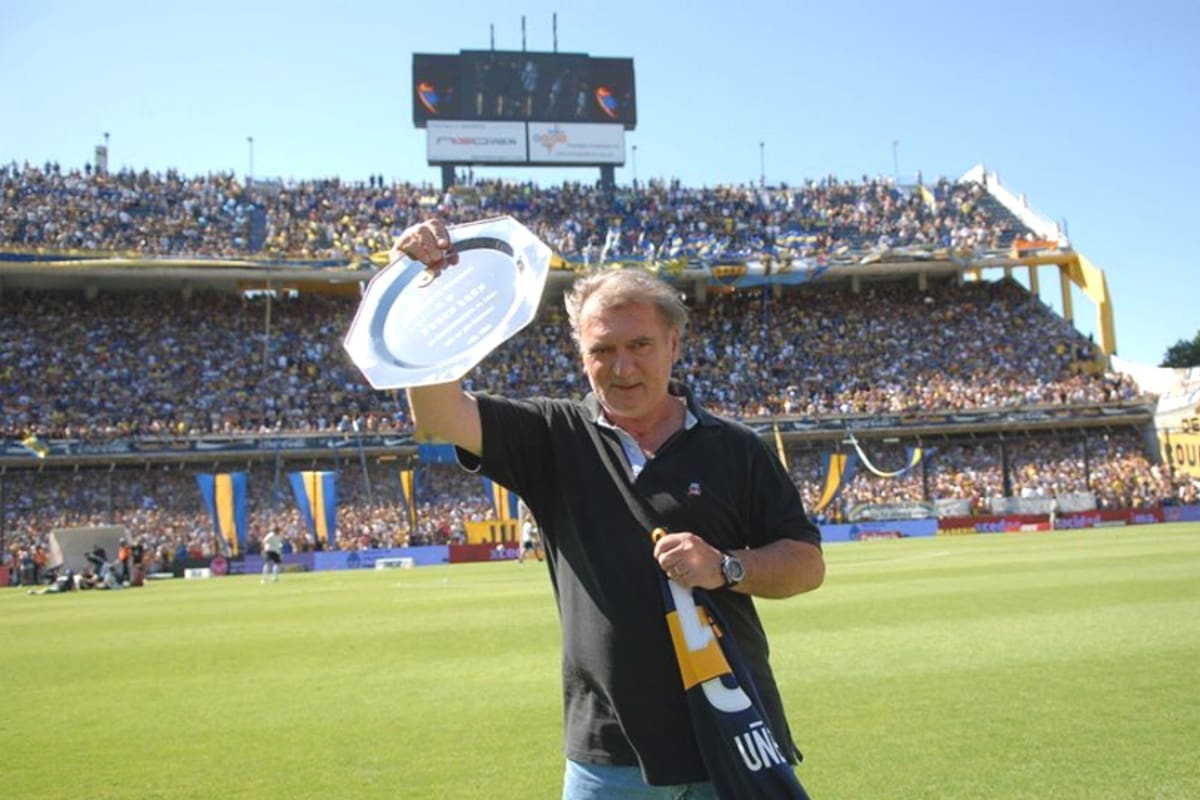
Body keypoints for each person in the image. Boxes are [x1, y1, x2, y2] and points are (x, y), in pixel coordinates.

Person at [396, 218, 825, 799]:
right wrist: (429, 295)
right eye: (603, 351)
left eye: (639, 346)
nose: (622, 368)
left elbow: (805, 563)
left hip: (732, 736)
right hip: (608, 758)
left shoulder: (736, 448)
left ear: (674, 343)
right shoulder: (553, 434)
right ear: (581, 356)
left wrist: (725, 566)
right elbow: (438, 417)